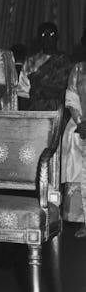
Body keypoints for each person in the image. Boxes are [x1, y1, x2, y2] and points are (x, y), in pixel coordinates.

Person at [17, 22, 71, 111]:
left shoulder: (67, 61)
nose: (47, 38)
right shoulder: (31, 62)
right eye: (43, 35)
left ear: (57, 37)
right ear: (38, 38)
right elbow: (23, 92)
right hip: (36, 109)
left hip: (60, 110)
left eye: (51, 34)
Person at [61, 60, 86, 236]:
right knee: (80, 171)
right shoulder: (79, 68)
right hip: (81, 124)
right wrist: (80, 121)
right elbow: (71, 96)